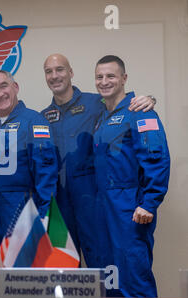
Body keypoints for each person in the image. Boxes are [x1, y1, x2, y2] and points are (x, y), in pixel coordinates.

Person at [40, 54, 156, 268]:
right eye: (49, 71)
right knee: (62, 266)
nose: (55, 76)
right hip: (58, 203)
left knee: (101, 264)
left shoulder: (96, 102)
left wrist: (149, 99)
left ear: (71, 72)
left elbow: (123, 105)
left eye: (60, 69)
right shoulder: (42, 117)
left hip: (92, 200)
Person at [93, 55, 170, 297]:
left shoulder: (140, 111)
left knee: (134, 275)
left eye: (111, 76)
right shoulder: (102, 116)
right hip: (105, 207)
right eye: (99, 77)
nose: (104, 81)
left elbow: (157, 160)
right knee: (112, 278)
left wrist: (149, 203)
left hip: (130, 208)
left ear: (124, 78)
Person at [0, 70, 58, 295]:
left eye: (3, 86)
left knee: (21, 279)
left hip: (23, 210)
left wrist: (45, 217)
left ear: (15, 87)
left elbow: (46, 173)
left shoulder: (34, 121)